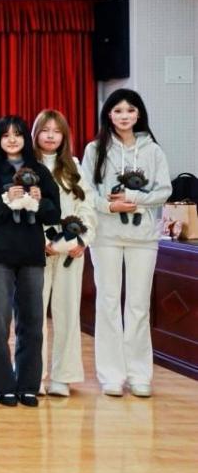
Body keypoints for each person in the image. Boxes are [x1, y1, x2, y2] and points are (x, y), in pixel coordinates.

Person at [82, 89, 171, 398]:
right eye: (118, 110)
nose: (124, 116)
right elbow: (86, 192)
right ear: (109, 114)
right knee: (107, 304)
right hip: (105, 237)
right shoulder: (94, 149)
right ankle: (111, 376)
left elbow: (164, 191)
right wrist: (110, 206)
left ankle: (139, 374)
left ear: (138, 114)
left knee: (138, 305)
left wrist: (133, 197)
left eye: (130, 110)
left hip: (143, 238)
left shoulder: (153, 151)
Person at [0, 115, 60, 407]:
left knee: (32, 322)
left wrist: (39, 200)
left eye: (17, 134)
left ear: (26, 139)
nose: (12, 140)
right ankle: (1, 385)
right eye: (5, 135)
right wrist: (5, 199)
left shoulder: (40, 171)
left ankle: (28, 384)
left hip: (31, 256)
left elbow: (55, 213)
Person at [32, 109, 96, 397]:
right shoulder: (27, 167)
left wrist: (83, 239)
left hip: (70, 250)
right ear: (36, 134)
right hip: (38, 251)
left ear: (64, 136)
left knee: (67, 312)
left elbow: (86, 207)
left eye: (56, 131)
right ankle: (33, 374)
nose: (50, 136)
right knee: (33, 314)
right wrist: (39, 240)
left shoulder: (74, 168)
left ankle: (63, 376)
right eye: (45, 130)